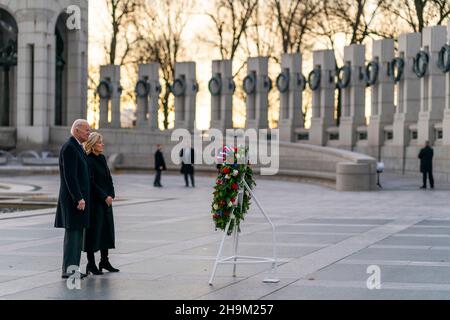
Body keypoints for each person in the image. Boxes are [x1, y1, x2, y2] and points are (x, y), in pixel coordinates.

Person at [54, 119, 91, 279]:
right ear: (76, 130)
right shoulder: (69, 147)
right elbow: (70, 177)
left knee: (77, 236)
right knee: (73, 236)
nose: (89, 133)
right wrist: (78, 198)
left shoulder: (77, 147)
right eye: (87, 130)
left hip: (78, 200)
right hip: (73, 201)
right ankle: (69, 270)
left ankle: (73, 269)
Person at [83, 132, 119, 274]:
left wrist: (111, 195)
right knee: (94, 233)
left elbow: (108, 179)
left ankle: (104, 261)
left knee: (106, 231)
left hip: (107, 202)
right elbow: (91, 183)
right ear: (92, 145)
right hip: (95, 202)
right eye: (99, 142)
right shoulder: (88, 160)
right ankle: (91, 264)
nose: (102, 144)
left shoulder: (103, 158)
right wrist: (104, 196)